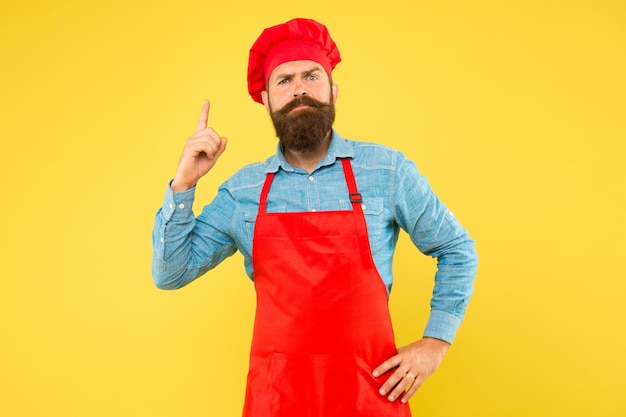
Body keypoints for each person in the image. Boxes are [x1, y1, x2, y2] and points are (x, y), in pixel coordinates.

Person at [152, 17, 478, 417]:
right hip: (277, 401)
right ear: (267, 101)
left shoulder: (385, 170)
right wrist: (183, 184)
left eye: (311, 75)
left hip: (369, 395)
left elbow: (456, 248)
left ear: (333, 91)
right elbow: (169, 273)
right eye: (284, 81)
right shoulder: (244, 191)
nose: (299, 89)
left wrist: (435, 344)